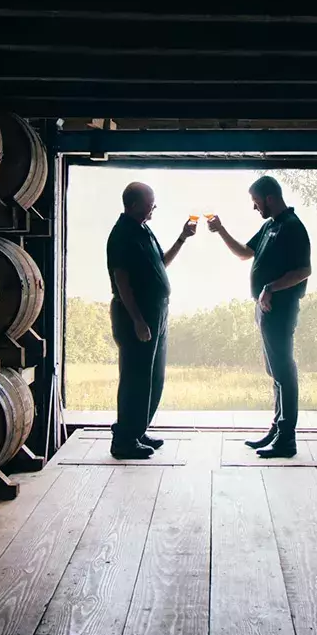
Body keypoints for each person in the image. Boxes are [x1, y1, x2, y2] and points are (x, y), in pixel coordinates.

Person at [207, 175, 311, 458]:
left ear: (269, 198)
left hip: (281, 309)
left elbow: (303, 271)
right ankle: (277, 429)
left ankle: (287, 439)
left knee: (284, 372)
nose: (254, 208)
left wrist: (270, 288)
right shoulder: (270, 226)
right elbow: (244, 253)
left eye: (255, 202)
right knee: (274, 372)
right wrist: (221, 230)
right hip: (265, 309)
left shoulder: (293, 227)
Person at [106, 182, 196, 459]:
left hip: (157, 311)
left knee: (153, 377)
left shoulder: (143, 230)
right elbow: (122, 281)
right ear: (132, 205)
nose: (153, 207)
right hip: (138, 313)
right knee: (135, 377)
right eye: (149, 204)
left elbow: (160, 263)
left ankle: (138, 430)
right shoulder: (122, 234)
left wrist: (182, 238)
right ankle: (124, 441)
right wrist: (137, 320)